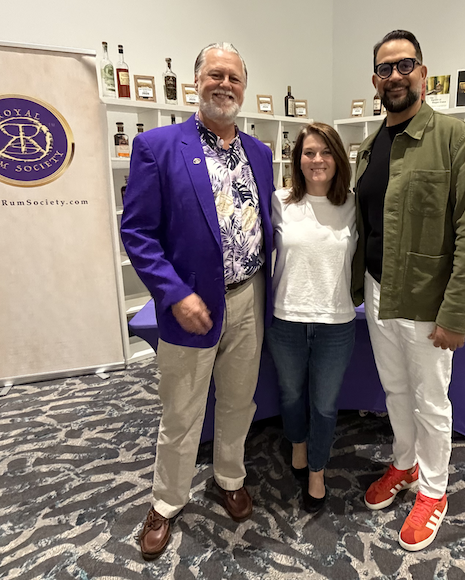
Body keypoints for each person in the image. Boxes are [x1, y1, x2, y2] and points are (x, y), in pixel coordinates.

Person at [120, 42, 274, 560]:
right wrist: (174, 292)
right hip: (190, 305)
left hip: (249, 296)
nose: (224, 84)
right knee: (181, 412)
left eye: (233, 76)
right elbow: (138, 232)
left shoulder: (260, 153)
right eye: (215, 75)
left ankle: (230, 476)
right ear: (196, 82)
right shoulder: (157, 146)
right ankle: (165, 502)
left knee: (238, 401)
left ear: (243, 87)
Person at [352, 30, 465, 551]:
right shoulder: (369, 145)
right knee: (394, 390)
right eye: (385, 69)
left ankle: (434, 491)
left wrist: (455, 312)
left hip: (427, 299)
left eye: (405, 65)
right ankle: (406, 465)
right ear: (375, 81)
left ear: (423, 74)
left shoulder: (455, 138)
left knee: (432, 400)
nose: (395, 76)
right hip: (378, 293)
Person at [265, 123, 356, 513]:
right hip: (285, 319)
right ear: (297, 159)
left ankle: (316, 470)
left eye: (325, 152)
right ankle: (298, 445)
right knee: (291, 395)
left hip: (336, 323)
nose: (317, 160)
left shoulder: (353, 204)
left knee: (324, 404)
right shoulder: (279, 200)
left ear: (338, 158)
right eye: (308, 152)